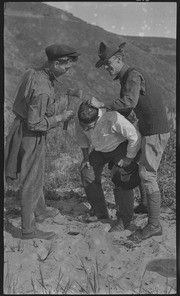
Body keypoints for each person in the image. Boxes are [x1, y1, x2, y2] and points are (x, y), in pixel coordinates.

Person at [89, 41, 170, 241]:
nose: (107, 69)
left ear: (119, 59)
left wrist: (102, 104)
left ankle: (153, 225)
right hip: (147, 129)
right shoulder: (127, 77)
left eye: (109, 64)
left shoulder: (132, 75)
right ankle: (144, 204)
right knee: (141, 168)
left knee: (147, 174)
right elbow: (127, 109)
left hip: (154, 131)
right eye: (105, 66)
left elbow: (129, 103)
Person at [5, 43, 80, 240]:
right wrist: (60, 118)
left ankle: (41, 211)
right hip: (30, 136)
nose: (68, 71)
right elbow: (35, 123)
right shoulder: (43, 89)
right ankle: (28, 230)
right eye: (66, 67)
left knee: (35, 175)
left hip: (20, 128)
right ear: (56, 63)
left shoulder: (33, 72)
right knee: (31, 181)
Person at [75, 102, 141, 232]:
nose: (86, 129)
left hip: (119, 146)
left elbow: (134, 136)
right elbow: (81, 137)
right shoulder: (82, 120)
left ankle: (124, 220)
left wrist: (128, 157)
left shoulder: (112, 117)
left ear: (97, 118)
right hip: (100, 150)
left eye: (89, 127)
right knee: (87, 171)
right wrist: (86, 158)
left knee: (122, 177)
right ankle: (100, 213)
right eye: (84, 126)